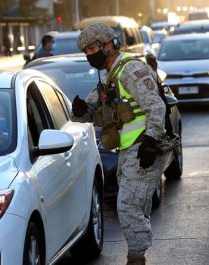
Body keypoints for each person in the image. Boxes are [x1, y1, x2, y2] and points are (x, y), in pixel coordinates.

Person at [72, 23, 171, 265]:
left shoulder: (131, 70)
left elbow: (156, 106)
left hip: (144, 149)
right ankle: (138, 254)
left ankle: (136, 259)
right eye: (85, 50)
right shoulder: (110, 77)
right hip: (129, 151)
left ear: (109, 45)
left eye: (92, 48)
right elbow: (90, 112)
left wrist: (151, 140)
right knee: (134, 206)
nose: (89, 54)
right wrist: (81, 111)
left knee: (127, 206)